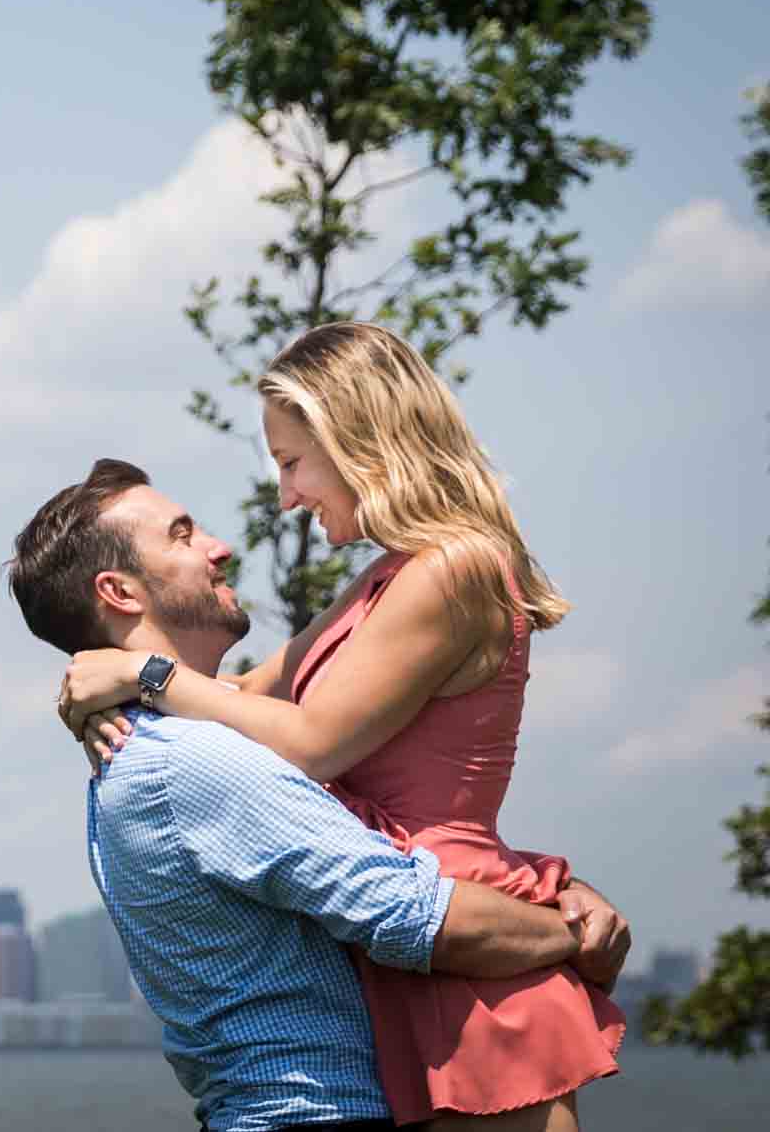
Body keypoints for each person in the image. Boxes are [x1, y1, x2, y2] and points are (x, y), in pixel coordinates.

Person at [55, 324, 623, 1130]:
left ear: (356, 439)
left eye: (290, 462)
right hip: (413, 943)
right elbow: (244, 692)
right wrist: (97, 695)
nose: (286, 494)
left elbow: (314, 739)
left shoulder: (453, 568)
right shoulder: (386, 581)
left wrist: (144, 674)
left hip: (461, 947)